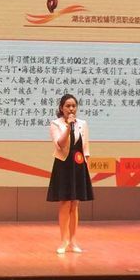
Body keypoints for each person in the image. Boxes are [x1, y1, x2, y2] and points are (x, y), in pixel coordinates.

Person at [46, 93, 94, 254]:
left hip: (78, 165)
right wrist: (68, 127)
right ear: (61, 108)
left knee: (75, 203)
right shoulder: (55, 124)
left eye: (74, 106)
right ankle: (63, 241)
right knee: (65, 203)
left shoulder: (83, 124)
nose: (71, 109)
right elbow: (60, 144)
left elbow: (85, 147)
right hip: (63, 165)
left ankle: (73, 241)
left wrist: (87, 166)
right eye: (68, 106)